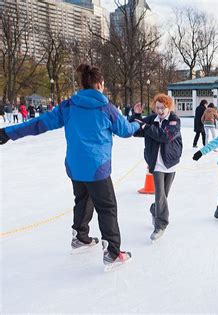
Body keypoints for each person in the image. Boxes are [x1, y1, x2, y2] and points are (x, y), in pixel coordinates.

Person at [0, 63, 140, 271]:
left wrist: (8, 133)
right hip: (97, 167)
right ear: (100, 84)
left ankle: (80, 237)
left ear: (83, 85)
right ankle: (112, 252)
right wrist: (138, 124)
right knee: (107, 207)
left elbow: (38, 124)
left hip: (75, 166)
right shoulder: (106, 108)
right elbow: (126, 130)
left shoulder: (69, 106)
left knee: (83, 199)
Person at [131, 94, 182, 242]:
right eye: (157, 107)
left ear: (168, 107)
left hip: (170, 162)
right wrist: (137, 114)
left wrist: (147, 127)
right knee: (160, 194)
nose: (159, 111)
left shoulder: (174, 120)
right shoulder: (152, 120)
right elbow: (134, 128)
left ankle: (155, 209)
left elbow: (165, 136)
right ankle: (161, 225)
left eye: (162, 108)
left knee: (164, 195)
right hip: (156, 163)